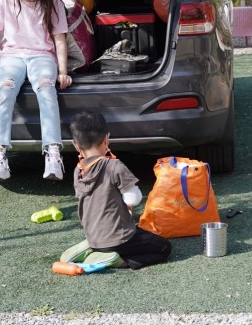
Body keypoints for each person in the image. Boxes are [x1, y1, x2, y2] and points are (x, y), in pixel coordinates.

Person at [0, 0, 72, 183]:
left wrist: (63, 71)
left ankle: (53, 154)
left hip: (42, 56)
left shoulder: (53, 3)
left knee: (46, 89)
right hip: (11, 57)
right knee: (5, 90)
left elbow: (60, 39)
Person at [60, 111, 172, 270]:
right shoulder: (113, 166)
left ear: (76, 145)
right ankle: (115, 260)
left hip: (93, 236)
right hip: (119, 239)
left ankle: (91, 247)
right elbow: (133, 199)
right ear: (107, 139)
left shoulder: (78, 170)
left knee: (137, 235)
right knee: (164, 247)